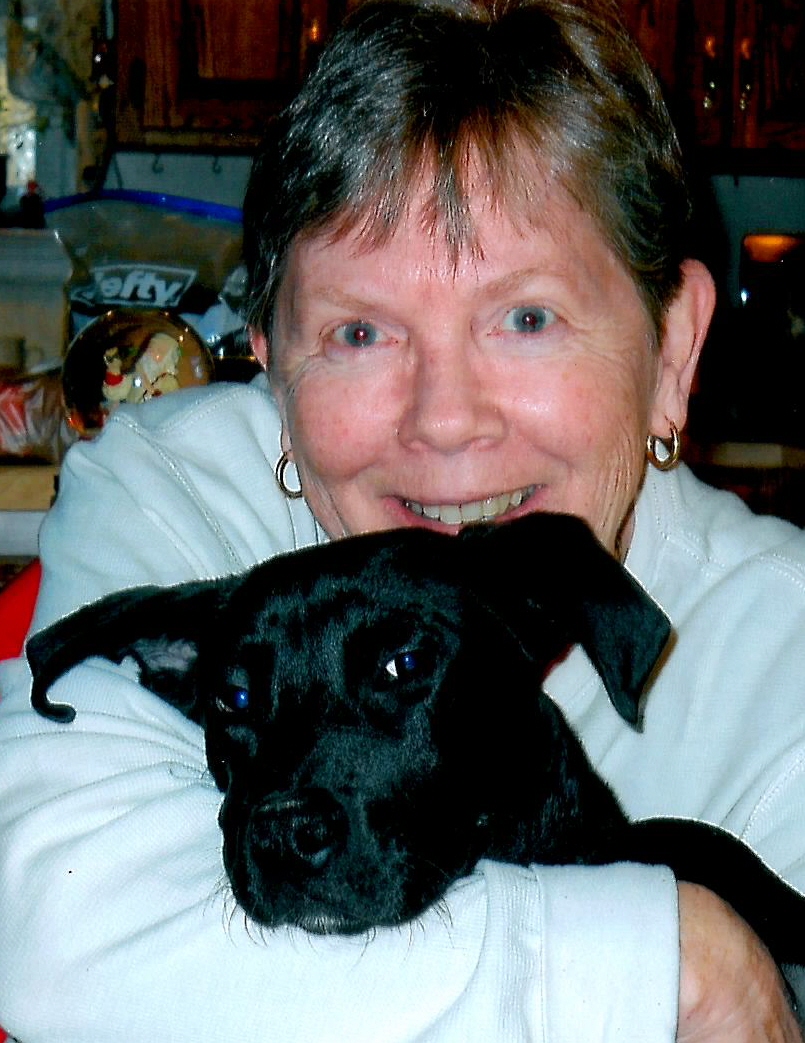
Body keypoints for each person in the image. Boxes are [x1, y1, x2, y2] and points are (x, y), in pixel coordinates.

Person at [0, 0, 804, 1039]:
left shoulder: (782, 643)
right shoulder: (174, 491)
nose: (444, 420)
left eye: (526, 318)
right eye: (359, 332)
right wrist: (683, 961)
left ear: (674, 347)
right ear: (268, 361)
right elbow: (63, 943)